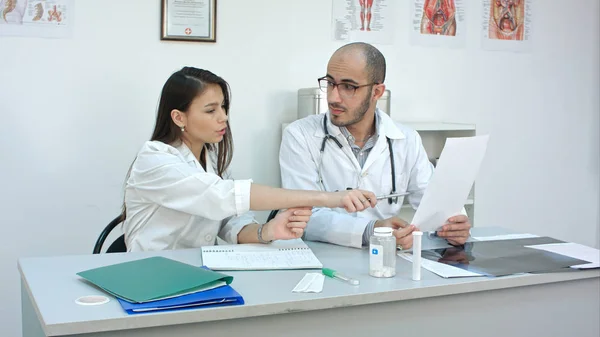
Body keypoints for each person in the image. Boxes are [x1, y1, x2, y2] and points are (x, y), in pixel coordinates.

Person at [122, 66, 377, 252]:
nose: (223, 117)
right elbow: (223, 197)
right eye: (211, 110)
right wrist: (328, 198)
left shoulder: (211, 159)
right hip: (150, 275)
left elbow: (230, 223)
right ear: (179, 117)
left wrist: (268, 231)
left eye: (223, 107)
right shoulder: (154, 160)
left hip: (195, 274)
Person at [279, 42, 471, 250]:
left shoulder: (406, 140)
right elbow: (302, 216)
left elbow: (435, 203)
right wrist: (373, 230)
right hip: (323, 258)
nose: (333, 97)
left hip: (389, 259)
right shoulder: (299, 135)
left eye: (348, 87)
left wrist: (453, 226)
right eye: (330, 83)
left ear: (377, 92)